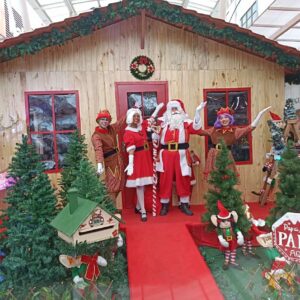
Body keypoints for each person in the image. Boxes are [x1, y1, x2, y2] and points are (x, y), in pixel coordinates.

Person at [155, 99, 206, 216]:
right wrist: (153, 135)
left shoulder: (186, 123)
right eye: (172, 108)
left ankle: (184, 204)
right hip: (165, 154)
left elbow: (197, 127)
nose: (174, 111)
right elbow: (155, 135)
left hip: (182, 153)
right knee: (165, 179)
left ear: (181, 110)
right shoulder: (163, 123)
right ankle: (164, 205)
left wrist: (198, 112)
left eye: (176, 108)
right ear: (168, 110)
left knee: (183, 178)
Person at [199, 106, 271, 179]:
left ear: (230, 118)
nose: (223, 119)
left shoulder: (235, 131)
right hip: (214, 155)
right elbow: (199, 132)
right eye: (221, 118)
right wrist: (197, 114)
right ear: (219, 120)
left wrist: (259, 114)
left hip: (226, 155)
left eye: (226, 117)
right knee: (216, 179)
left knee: (227, 179)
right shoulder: (214, 130)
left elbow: (250, 128)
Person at [123, 104, 163, 222]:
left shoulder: (142, 126)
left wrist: (157, 109)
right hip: (138, 158)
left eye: (138, 116)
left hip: (146, 157)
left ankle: (138, 206)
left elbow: (151, 119)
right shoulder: (128, 132)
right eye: (134, 116)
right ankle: (143, 211)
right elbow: (131, 149)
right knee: (140, 184)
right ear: (130, 117)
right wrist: (131, 164)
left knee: (145, 184)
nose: (136, 118)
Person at [91, 109, 125, 205]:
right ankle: (112, 210)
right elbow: (98, 150)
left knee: (120, 184)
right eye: (102, 119)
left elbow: (120, 122)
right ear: (98, 121)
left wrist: (132, 110)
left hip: (119, 160)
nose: (105, 121)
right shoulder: (96, 136)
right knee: (112, 186)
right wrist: (99, 164)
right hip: (110, 163)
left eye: (106, 119)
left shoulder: (111, 129)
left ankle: (110, 206)